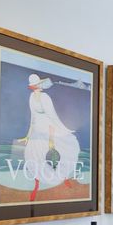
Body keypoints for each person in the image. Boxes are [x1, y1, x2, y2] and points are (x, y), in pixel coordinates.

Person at [18, 73, 80, 201]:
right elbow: (33, 118)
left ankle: (63, 178)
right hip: (36, 132)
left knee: (56, 156)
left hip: (48, 131)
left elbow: (52, 119)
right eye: (35, 86)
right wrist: (27, 136)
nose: (37, 87)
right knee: (33, 157)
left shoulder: (45, 98)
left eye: (37, 85)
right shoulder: (31, 97)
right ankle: (36, 186)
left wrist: (51, 140)